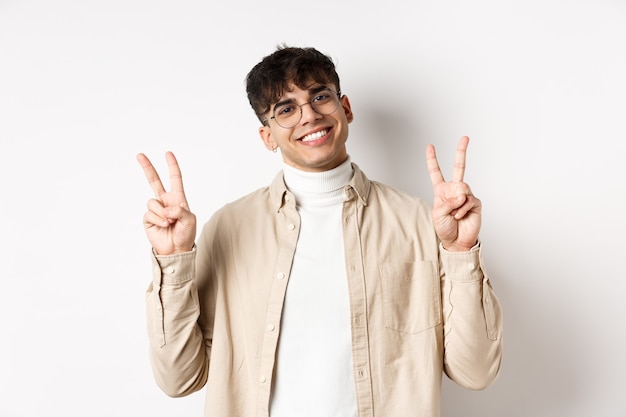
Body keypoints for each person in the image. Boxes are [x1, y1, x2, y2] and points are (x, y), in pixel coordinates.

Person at [137, 46, 503, 417]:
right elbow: (179, 379)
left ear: (345, 108)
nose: (309, 115)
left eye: (320, 96)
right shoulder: (229, 228)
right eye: (286, 109)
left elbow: (476, 373)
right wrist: (173, 259)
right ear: (267, 137)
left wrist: (460, 251)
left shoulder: (421, 224)